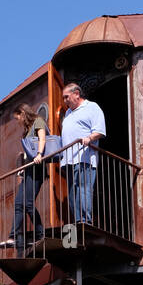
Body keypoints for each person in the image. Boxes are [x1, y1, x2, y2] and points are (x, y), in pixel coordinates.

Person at [0, 105, 48, 251]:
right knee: (19, 203)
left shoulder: (38, 121)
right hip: (28, 169)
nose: (17, 121)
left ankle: (40, 235)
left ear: (23, 113)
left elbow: (42, 138)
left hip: (37, 167)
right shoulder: (26, 130)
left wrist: (39, 154)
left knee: (28, 203)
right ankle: (12, 237)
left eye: (17, 118)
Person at [60, 82, 106, 225]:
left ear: (77, 94)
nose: (65, 101)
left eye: (67, 97)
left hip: (84, 157)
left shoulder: (92, 107)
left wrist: (89, 138)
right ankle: (78, 220)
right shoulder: (68, 113)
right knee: (73, 192)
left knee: (83, 188)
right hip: (68, 159)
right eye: (63, 98)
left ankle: (85, 221)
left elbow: (100, 131)